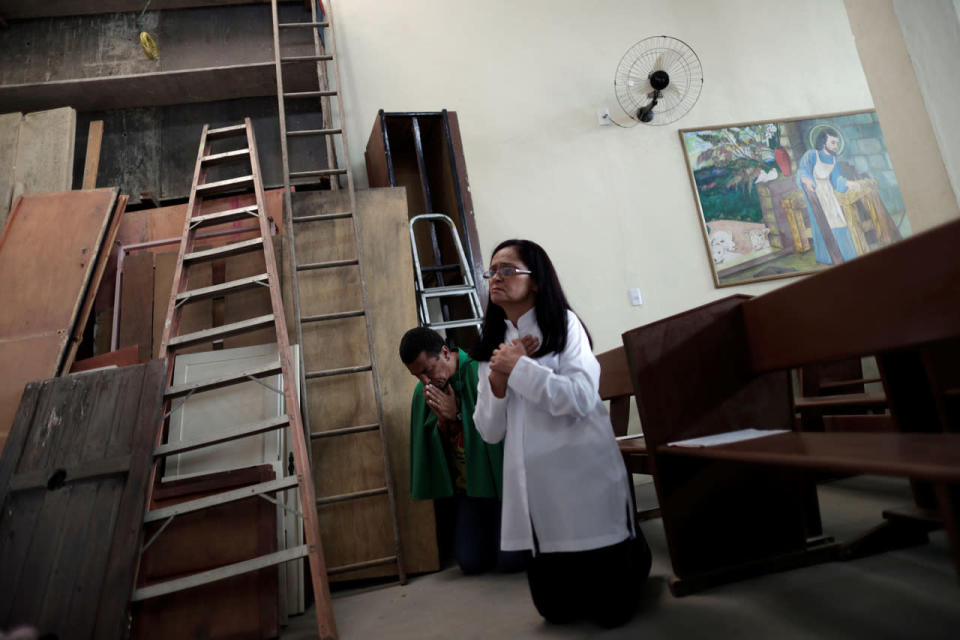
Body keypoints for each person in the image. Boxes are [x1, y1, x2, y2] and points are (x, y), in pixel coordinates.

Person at [471, 239, 652, 628]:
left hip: (582, 481)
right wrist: (499, 380)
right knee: (556, 613)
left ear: (535, 281)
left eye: (507, 269)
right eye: (491, 271)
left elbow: (581, 399)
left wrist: (521, 367)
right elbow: (488, 431)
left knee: (611, 615)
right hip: (537, 499)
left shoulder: (564, 326)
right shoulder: (493, 347)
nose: (495, 278)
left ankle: (630, 558)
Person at [399, 326, 525, 574]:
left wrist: (457, 413)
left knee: (511, 562)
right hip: (469, 491)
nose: (425, 381)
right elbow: (433, 450)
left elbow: (494, 431)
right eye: (417, 376)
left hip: (503, 487)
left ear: (445, 353)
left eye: (427, 370)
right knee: (470, 562)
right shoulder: (424, 392)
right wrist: (444, 422)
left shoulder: (479, 372)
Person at [797, 128, 862, 264]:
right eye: (833, 143)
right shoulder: (812, 155)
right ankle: (828, 257)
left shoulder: (833, 159)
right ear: (823, 142)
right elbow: (803, 170)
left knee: (838, 220)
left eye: (837, 143)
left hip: (829, 194)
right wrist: (806, 179)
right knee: (824, 222)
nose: (835, 146)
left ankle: (846, 255)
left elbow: (836, 180)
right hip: (815, 192)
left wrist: (848, 183)